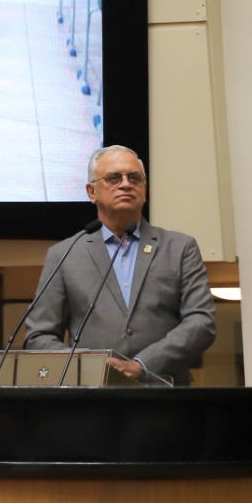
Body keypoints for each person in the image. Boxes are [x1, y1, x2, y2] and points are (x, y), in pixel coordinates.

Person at [23, 145, 216, 385]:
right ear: (92, 192)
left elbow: (201, 321)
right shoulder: (65, 254)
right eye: (114, 178)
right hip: (91, 399)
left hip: (165, 394)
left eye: (134, 178)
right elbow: (40, 334)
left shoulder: (179, 247)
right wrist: (88, 366)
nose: (126, 184)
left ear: (144, 189)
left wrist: (142, 364)